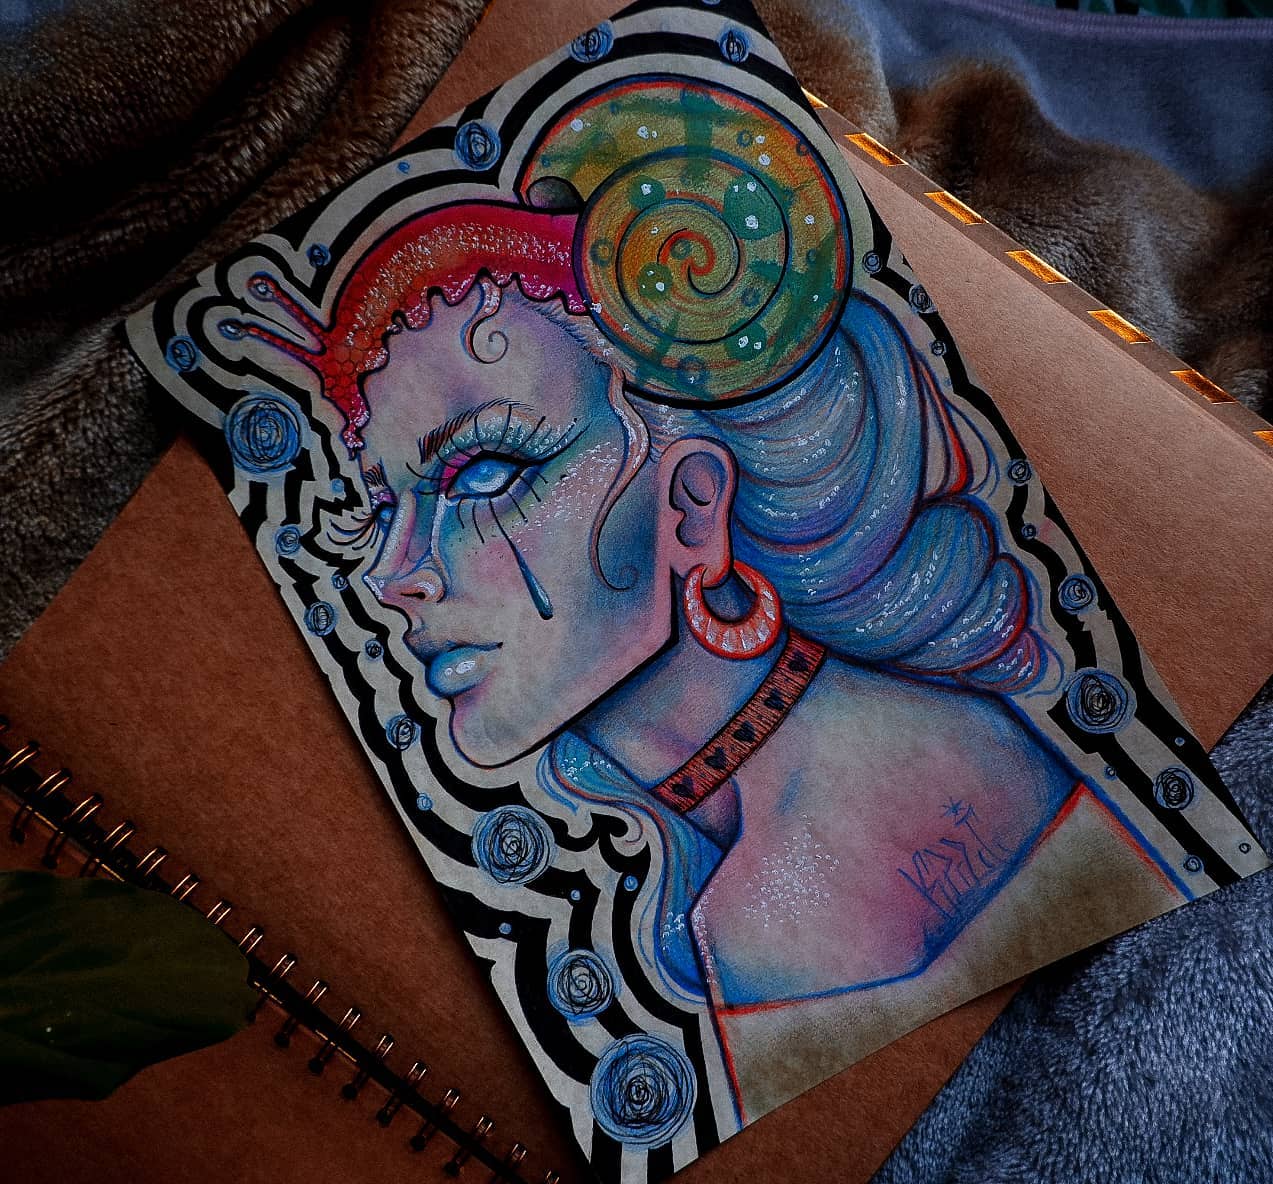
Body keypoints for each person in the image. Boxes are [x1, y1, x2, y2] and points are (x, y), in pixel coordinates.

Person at [219, 79, 1109, 1022]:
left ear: (691, 506)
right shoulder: (679, 855)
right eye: (380, 512)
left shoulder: (836, 872)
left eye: (483, 474)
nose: (395, 576)